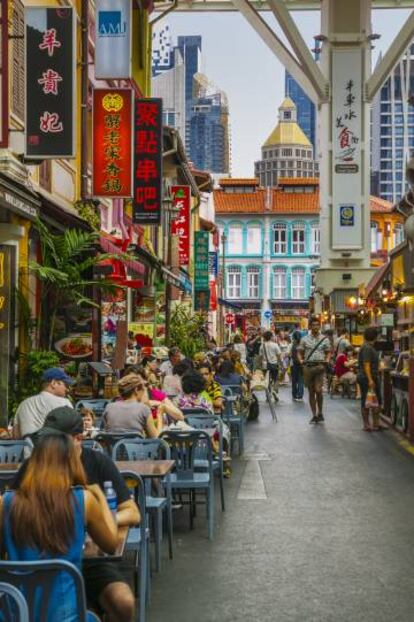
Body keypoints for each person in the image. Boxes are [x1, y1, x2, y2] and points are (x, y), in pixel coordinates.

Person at [14, 406, 140, 621]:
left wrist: (97, 520)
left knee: (123, 602)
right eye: (46, 440)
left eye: (56, 442)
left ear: (78, 439)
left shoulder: (98, 463)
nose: (49, 447)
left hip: (86, 564)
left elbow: (132, 513)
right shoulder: (32, 469)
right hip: (37, 564)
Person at [1, 433, 118, 622]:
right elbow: (111, 545)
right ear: (71, 463)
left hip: (15, 614)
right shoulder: (83, 500)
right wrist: (101, 497)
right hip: (66, 616)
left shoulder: (5, 503)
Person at [13, 367, 74, 439]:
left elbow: (16, 435)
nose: (67, 389)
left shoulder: (24, 404)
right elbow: (73, 432)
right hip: (57, 449)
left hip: (30, 450)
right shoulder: (64, 403)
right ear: (53, 383)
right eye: (65, 385)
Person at [298, 317, 331, 424]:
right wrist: (300, 360)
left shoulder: (325, 339)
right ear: (310, 326)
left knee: (318, 390)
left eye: (317, 324)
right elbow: (299, 351)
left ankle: (320, 412)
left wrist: (327, 359)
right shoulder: (304, 339)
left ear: (319, 326)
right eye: (313, 325)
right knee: (311, 392)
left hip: (320, 366)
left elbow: (328, 351)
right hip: (308, 367)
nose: (315, 326)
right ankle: (314, 415)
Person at [357, 327, 383, 431]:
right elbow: (366, 365)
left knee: (376, 401)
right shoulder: (367, 348)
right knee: (366, 401)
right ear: (375, 336)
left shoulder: (369, 347)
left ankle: (376, 423)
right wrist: (370, 380)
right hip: (367, 378)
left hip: (371, 377)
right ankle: (366, 424)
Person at [291, 330, 304, 402]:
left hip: (294, 364)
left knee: (294, 380)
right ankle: (300, 395)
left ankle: (294, 394)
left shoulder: (293, 345)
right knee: (301, 380)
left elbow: (292, 355)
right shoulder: (302, 344)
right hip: (302, 363)